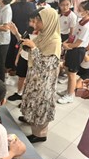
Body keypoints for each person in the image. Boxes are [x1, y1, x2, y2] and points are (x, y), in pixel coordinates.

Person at [14, 8, 61, 143]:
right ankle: (31, 119)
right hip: (35, 77)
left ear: (48, 21)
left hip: (43, 81)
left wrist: (34, 48)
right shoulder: (43, 34)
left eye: (38, 21)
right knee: (32, 101)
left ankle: (40, 135)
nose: (35, 24)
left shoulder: (54, 41)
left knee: (40, 104)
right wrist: (17, 34)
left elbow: (46, 65)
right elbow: (28, 48)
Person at [58, 0, 89, 104]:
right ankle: (68, 91)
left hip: (77, 50)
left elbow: (79, 43)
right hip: (71, 48)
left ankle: (70, 95)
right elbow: (73, 36)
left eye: (80, 10)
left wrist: (67, 46)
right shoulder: (81, 21)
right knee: (67, 70)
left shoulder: (88, 26)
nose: (78, 11)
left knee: (72, 74)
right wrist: (66, 42)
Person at [6, 0, 36, 86]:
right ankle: (18, 69)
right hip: (28, 31)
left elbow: (10, 19)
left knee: (14, 49)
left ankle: (12, 68)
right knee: (23, 50)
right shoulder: (32, 5)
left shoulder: (13, 6)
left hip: (15, 30)